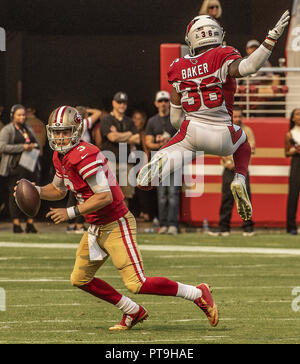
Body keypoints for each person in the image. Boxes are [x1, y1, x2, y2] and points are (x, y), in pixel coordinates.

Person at [18, 105, 219, 331]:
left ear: (77, 130)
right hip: (96, 227)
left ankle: (196, 292)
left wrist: (70, 212)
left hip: (115, 223)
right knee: (79, 278)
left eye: (65, 131)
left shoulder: (85, 155)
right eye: (57, 132)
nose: (60, 137)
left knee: (136, 282)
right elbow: (58, 190)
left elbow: (104, 197)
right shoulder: (60, 155)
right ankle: (132, 310)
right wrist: (34, 189)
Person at [137, 11, 290, 223]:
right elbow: (250, 67)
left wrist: (187, 131)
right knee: (243, 141)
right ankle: (239, 178)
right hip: (222, 134)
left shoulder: (178, 66)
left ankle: (156, 172)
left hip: (191, 130)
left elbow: (174, 118)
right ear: (216, 34)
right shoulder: (222, 54)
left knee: (179, 148)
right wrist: (271, 39)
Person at [208, 107, 256, 236]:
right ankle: (224, 229)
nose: (238, 119)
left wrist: (236, 162)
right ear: (230, 117)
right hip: (228, 170)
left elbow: (250, 148)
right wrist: (229, 162)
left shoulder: (247, 131)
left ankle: (248, 229)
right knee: (227, 199)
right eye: (235, 116)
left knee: (245, 198)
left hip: (242, 170)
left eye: (240, 116)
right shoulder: (224, 131)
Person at [0, 104, 40, 233]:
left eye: (23, 115)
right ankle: (16, 224)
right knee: (14, 194)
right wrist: (22, 147)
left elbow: (37, 143)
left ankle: (30, 223)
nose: (22, 117)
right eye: (19, 115)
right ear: (13, 116)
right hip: (14, 167)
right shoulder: (7, 129)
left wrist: (34, 146)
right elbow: (2, 147)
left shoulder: (27, 128)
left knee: (31, 194)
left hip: (29, 166)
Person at [145, 91, 180, 235]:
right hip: (159, 162)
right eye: (161, 101)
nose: (163, 103)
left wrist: (167, 142)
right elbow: (148, 143)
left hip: (175, 160)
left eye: (166, 100)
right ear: (156, 103)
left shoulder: (176, 119)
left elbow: (184, 139)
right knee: (162, 195)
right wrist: (159, 143)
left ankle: (172, 224)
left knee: (173, 194)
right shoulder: (152, 121)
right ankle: (163, 223)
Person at [66, 106, 102, 234]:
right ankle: (79, 223)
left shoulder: (71, 127)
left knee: (73, 193)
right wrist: (87, 110)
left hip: (72, 160)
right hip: (81, 160)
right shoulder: (83, 123)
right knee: (82, 194)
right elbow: (98, 112)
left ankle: (71, 224)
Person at [100, 92, 140, 206]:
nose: (122, 105)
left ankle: (124, 222)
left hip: (126, 162)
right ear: (113, 103)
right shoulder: (106, 119)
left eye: (124, 103)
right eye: (119, 102)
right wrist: (128, 134)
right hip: (110, 161)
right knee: (109, 194)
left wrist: (118, 135)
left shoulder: (129, 121)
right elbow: (111, 137)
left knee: (126, 195)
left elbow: (137, 139)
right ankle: (111, 222)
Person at [285, 108, 300, 235]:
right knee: (293, 195)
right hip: (296, 163)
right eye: (297, 114)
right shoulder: (290, 134)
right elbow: (286, 153)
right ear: (293, 118)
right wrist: (294, 151)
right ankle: (291, 226)